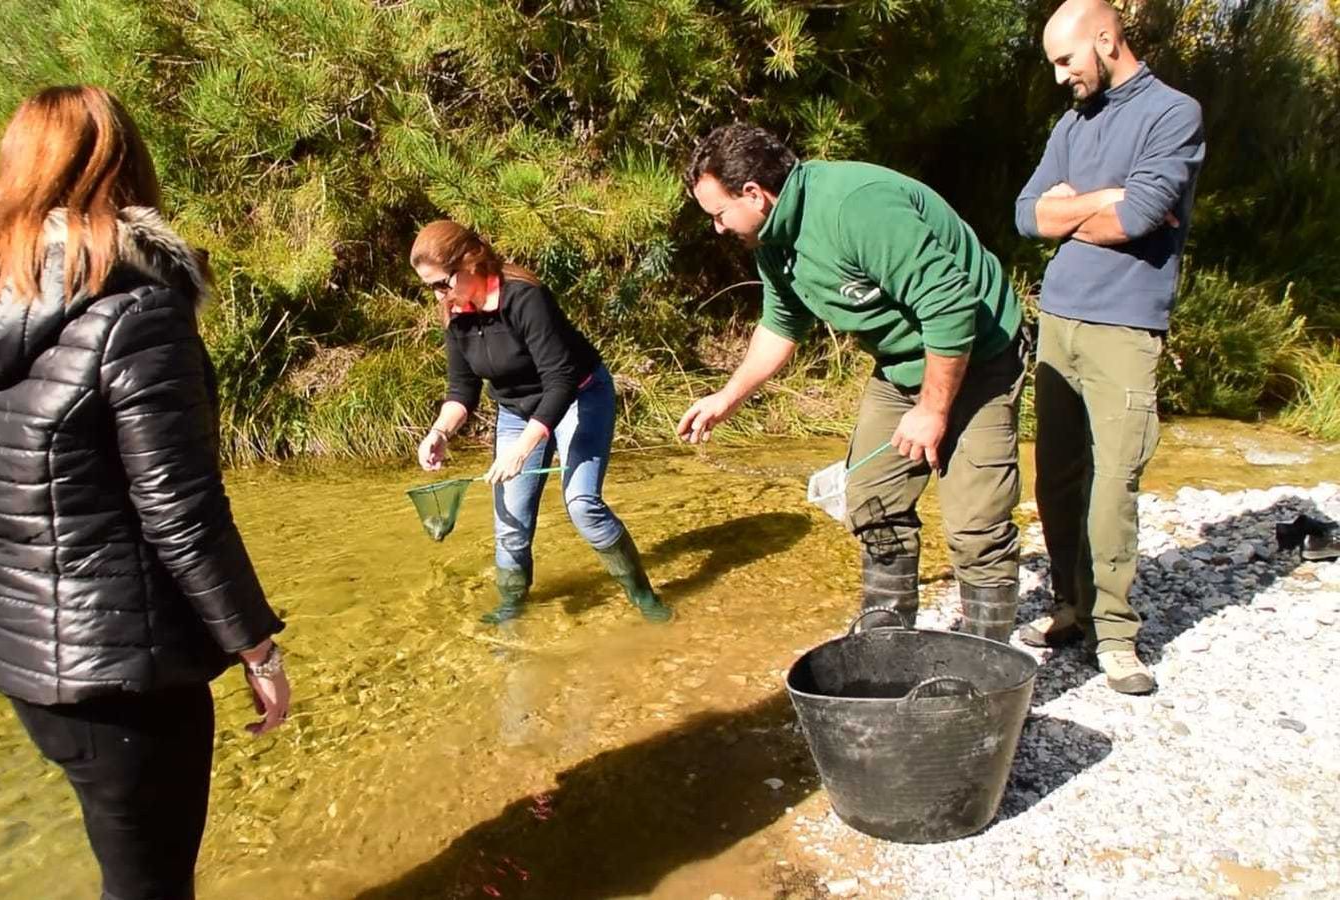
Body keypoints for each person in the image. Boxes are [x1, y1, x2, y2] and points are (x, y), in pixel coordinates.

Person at [0, 85, 292, 898]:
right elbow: (180, 510)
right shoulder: (136, 309)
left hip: (25, 657)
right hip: (125, 670)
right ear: (125, 167)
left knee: (126, 867)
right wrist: (256, 646)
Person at [680, 124, 1027, 641]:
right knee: (871, 498)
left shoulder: (855, 208)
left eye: (719, 214)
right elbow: (781, 324)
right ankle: (886, 637)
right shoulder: (773, 238)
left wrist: (932, 412)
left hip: (979, 357)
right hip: (901, 365)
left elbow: (951, 306)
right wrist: (727, 398)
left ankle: (987, 661)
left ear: (753, 193)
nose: (719, 228)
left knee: (976, 528)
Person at [1014, 0, 1205, 694]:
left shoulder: (1172, 113)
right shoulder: (1071, 124)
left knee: (1114, 480)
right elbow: (1026, 214)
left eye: (1067, 60)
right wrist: (1104, 203)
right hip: (1059, 318)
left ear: (1105, 37)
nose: (1062, 76)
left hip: (1126, 325)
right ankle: (1069, 606)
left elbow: (1138, 217)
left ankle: (1116, 634)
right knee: (1057, 478)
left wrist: (1080, 209)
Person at [411, 220, 671, 625]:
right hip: (516, 412)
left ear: (470, 262)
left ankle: (644, 598)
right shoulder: (456, 316)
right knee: (510, 524)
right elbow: (462, 390)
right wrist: (440, 432)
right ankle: (512, 608)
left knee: (583, 505)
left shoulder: (525, 299)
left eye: (441, 284)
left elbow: (561, 380)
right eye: (430, 288)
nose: (438, 295)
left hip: (579, 397)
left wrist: (523, 447)